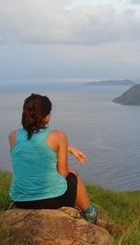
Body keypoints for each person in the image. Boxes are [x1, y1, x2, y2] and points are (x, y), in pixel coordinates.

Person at [8, 93, 99, 224]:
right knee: (74, 176)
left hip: (21, 200)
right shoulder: (58, 136)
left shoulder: (13, 136)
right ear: (46, 116)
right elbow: (63, 173)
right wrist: (64, 150)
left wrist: (68, 148)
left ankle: (90, 212)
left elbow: (33, 148)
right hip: (52, 199)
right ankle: (90, 213)